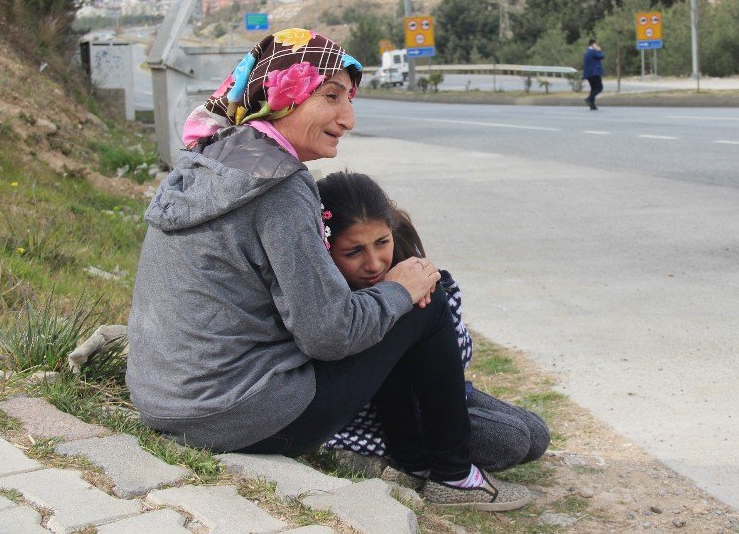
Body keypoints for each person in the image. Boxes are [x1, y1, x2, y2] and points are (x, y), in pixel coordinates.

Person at [126, 28, 531, 511]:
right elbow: (329, 334)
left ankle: (415, 458)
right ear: (283, 94)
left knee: (397, 301)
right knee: (425, 295)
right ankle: (451, 475)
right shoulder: (278, 185)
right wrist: (402, 288)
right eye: (332, 96)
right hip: (237, 414)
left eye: (350, 99)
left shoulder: (208, 158)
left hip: (164, 402)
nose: (349, 118)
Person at [316, 171, 550, 475]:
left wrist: (430, 310)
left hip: (439, 394)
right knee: (511, 440)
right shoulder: (327, 299)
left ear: (392, 230)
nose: (373, 263)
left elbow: (459, 356)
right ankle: (415, 466)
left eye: (381, 242)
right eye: (354, 252)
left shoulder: (409, 267)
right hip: (374, 419)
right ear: (326, 248)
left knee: (537, 435)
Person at [582, 39, 605, 110]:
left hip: (588, 74)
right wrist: (599, 50)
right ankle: (589, 98)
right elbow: (602, 56)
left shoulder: (586, 52)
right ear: (593, 44)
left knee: (593, 89)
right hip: (594, 73)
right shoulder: (593, 52)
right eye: (596, 44)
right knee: (599, 88)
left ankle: (592, 105)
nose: (597, 45)